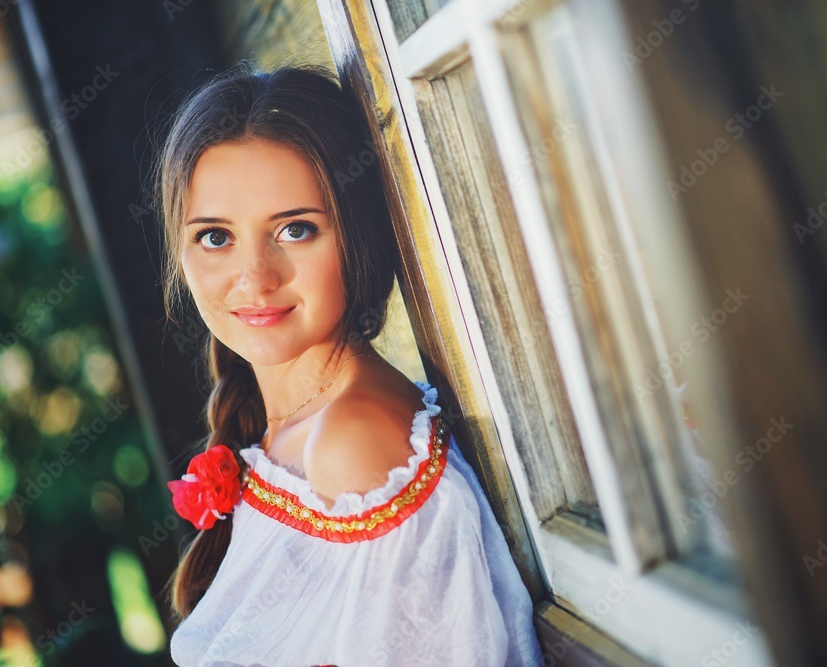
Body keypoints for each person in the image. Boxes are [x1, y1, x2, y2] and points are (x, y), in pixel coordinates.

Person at [158, 65, 544, 666]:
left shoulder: (352, 445)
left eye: (295, 229)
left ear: (357, 233)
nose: (255, 277)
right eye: (215, 237)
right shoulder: (295, 432)